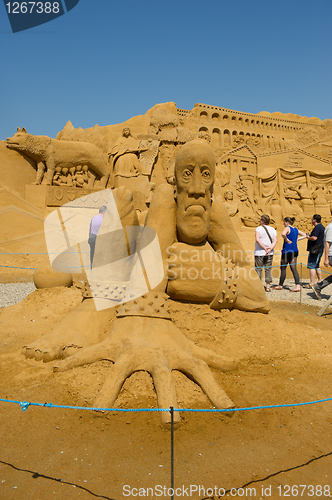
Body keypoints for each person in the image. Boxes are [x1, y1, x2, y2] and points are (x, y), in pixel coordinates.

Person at [273, 217, 306, 292]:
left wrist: (287, 240)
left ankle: (280, 285)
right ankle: (297, 286)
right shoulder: (296, 229)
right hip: (295, 250)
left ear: (287, 222)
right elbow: (304, 235)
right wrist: (297, 239)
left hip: (287, 251)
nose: (283, 223)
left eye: (284, 222)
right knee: (293, 268)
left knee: (283, 268)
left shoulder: (287, 228)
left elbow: (283, 234)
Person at [254, 215, 277, 292]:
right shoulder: (273, 229)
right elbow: (275, 241)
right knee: (268, 269)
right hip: (269, 253)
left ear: (263, 221)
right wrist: (270, 248)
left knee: (258, 269)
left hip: (260, 252)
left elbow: (257, 240)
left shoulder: (259, 228)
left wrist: (264, 248)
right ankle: (268, 287)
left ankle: (258, 286)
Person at [312, 218, 332, 299]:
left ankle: (318, 287)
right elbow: (327, 243)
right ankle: (318, 287)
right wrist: (326, 258)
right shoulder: (331, 228)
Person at [303, 214, 325, 288]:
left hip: (315, 249)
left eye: (312, 219)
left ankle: (312, 283)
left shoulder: (317, 227)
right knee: (317, 265)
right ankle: (320, 281)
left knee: (311, 266)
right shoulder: (321, 227)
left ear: (315, 220)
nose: (311, 220)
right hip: (319, 249)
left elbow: (314, 238)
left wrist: (308, 237)